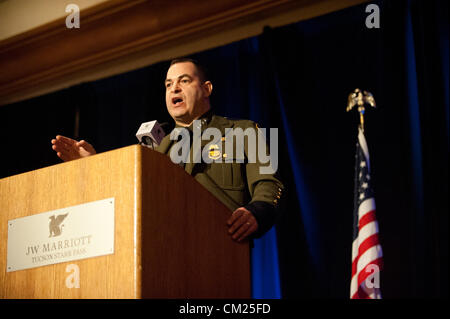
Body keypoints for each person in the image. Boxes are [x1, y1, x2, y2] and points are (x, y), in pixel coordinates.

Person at [51, 58, 283, 242]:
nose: (174, 89)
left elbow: (268, 184)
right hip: (164, 250)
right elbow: (128, 200)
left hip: (222, 247)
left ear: (206, 88)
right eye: (168, 84)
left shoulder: (242, 131)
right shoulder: (155, 151)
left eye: (184, 81)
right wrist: (95, 166)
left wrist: (257, 212)